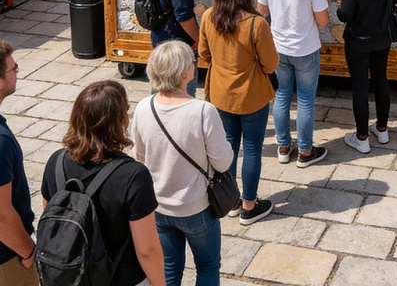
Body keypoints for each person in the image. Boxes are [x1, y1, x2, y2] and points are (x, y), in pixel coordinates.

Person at [41, 81, 166, 286]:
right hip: (122, 279)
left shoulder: (56, 162)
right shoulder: (133, 175)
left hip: (70, 278)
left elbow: (52, 219)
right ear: (119, 121)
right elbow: (147, 250)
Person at [131, 41, 233, 286]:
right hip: (196, 206)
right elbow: (223, 162)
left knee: (168, 268)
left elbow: (138, 159)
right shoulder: (203, 111)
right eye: (191, 62)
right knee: (208, 267)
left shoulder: (144, 107)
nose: (194, 65)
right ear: (184, 72)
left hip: (159, 205)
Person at [198, 0, 279, 225]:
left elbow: (204, 55)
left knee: (229, 147)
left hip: (221, 94)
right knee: (252, 148)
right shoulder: (257, 24)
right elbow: (271, 64)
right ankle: (249, 205)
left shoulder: (209, 17)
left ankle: (230, 200)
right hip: (252, 95)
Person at [257, 0, 329, 168]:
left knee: (282, 96)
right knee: (306, 100)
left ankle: (283, 147)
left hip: (278, 47)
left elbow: (261, 11)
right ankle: (305, 151)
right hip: (305, 48)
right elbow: (323, 21)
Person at [336, 0, 397, 154]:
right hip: (382, 39)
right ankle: (382, 130)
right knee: (381, 81)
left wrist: (340, 5)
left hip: (358, 41)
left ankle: (362, 138)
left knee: (360, 87)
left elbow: (345, 15)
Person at [0, 42, 37, 286]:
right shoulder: (1, 142)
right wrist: (28, 253)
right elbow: (1, 215)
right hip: (7, 260)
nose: (17, 73)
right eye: (14, 69)